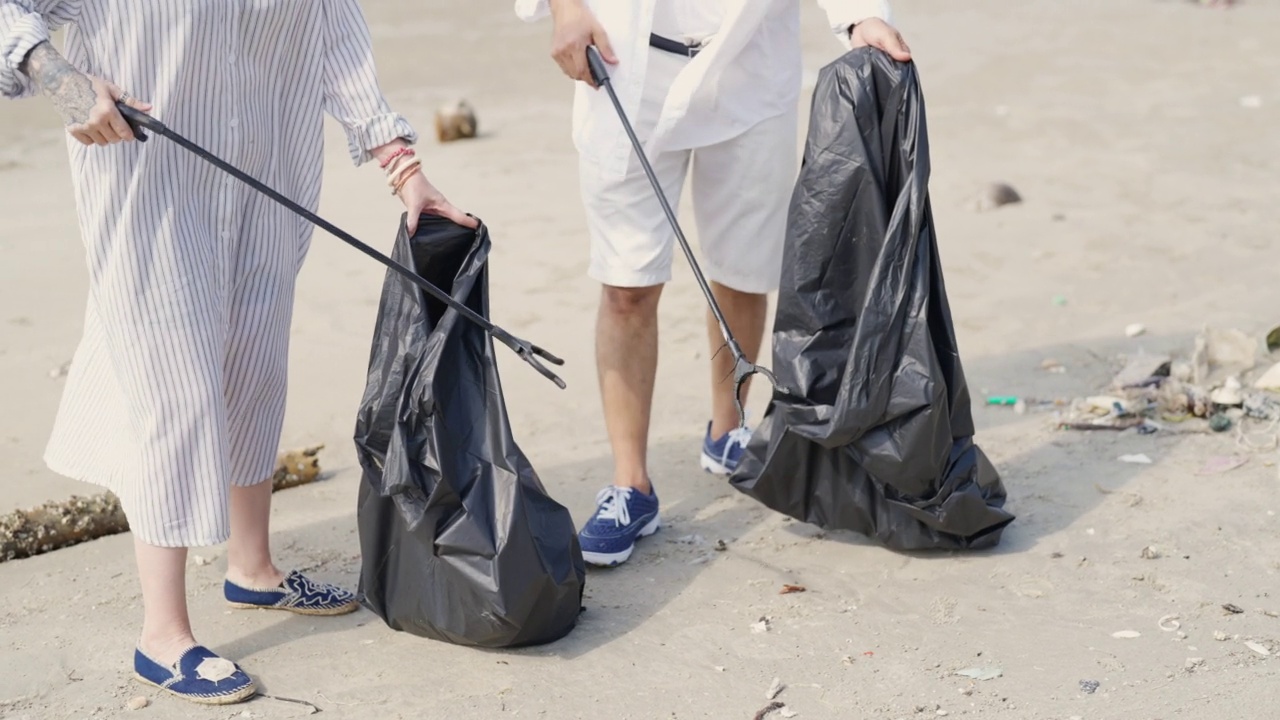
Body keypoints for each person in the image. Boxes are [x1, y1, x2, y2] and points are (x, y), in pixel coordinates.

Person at [0, 0, 473, 706]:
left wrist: (403, 167)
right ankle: (162, 634)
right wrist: (65, 79)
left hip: (269, 177)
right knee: (175, 385)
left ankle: (252, 569)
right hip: (144, 177)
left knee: (256, 368)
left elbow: (336, 41)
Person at [514, 0, 911, 567]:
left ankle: (727, 429)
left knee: (743, 269)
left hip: (749, 68)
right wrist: (566, 9)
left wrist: (860, 17)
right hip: (624, 65)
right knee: (626, 284)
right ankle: (631, 486)